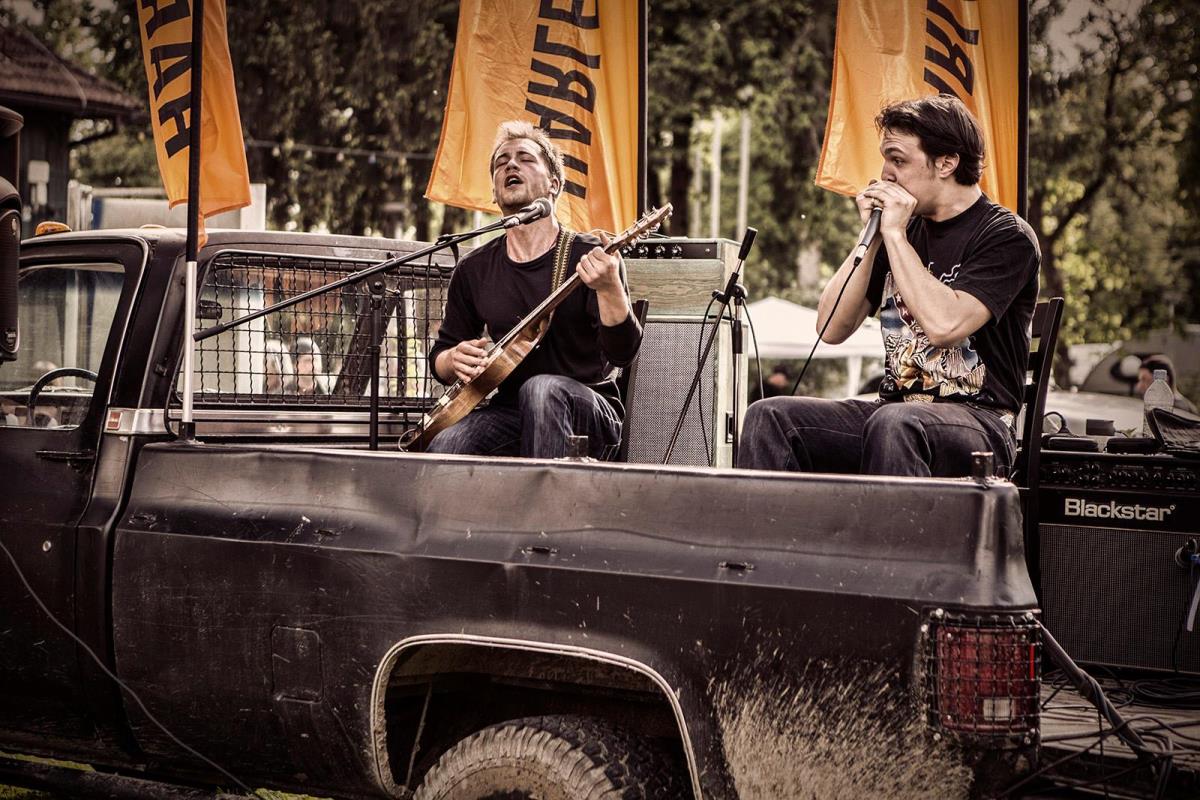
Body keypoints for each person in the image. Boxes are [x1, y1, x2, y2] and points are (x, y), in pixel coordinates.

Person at [739, 95, 1040, 477]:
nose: (886, 174)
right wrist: (873, 236)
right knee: (770, 416)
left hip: (981, 421)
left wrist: (896, 235)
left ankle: (887, 521)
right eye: (885, 160)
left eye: (898, 160)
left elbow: (946, 326)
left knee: (896, 422)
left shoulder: (1005, 235)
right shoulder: (899, 230)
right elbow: (831, 328)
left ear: (946, 163)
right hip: (895, 411)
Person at [425, 120, 642, 459]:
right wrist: (453, 359)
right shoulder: (474, 269)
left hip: (589, 409)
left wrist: (610, 289)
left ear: (554, 184)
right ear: (495, 192)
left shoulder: (590, 255)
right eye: (501, 162)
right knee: (446, 444)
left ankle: (546, 496)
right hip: (510, 411)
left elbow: (623, 354)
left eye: (525, 158)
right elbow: (441, 355)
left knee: (541, 390)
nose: (511, 165)